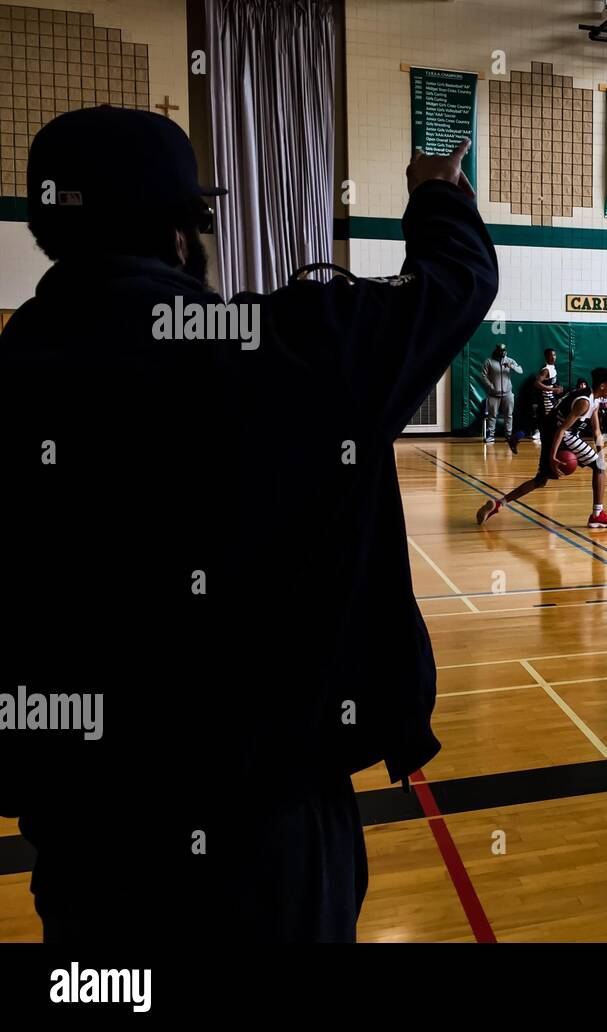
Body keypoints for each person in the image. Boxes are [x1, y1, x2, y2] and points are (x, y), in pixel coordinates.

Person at [0, 109, 498, 943]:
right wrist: (437, 197)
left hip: (86, 840)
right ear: (182, 236)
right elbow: (454, 284)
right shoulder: (286, 351)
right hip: (264, 839)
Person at [476, 367, 607, 529]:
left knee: (540, 480)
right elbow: (562, 430)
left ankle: (498, 504)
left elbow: (596, 430)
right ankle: (597, 515)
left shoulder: (594, 400)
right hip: (562, 435)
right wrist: (553, 456)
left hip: (551, 432)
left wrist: (601, 453)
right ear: (602, 386)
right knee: (599, 468)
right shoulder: (584, 402)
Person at [481, 343, 522, 442]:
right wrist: (490, 386)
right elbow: (483, 375)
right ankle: (490, 436)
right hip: (494, 394)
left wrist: (511, 366)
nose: (502, 352)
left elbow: (520, 370)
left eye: (503, 350)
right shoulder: (489, 361)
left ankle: (508, 436)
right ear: (496, 350)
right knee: (492, 415)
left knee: (508, 415)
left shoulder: (509, 360)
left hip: (508, 394)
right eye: (500, 350)